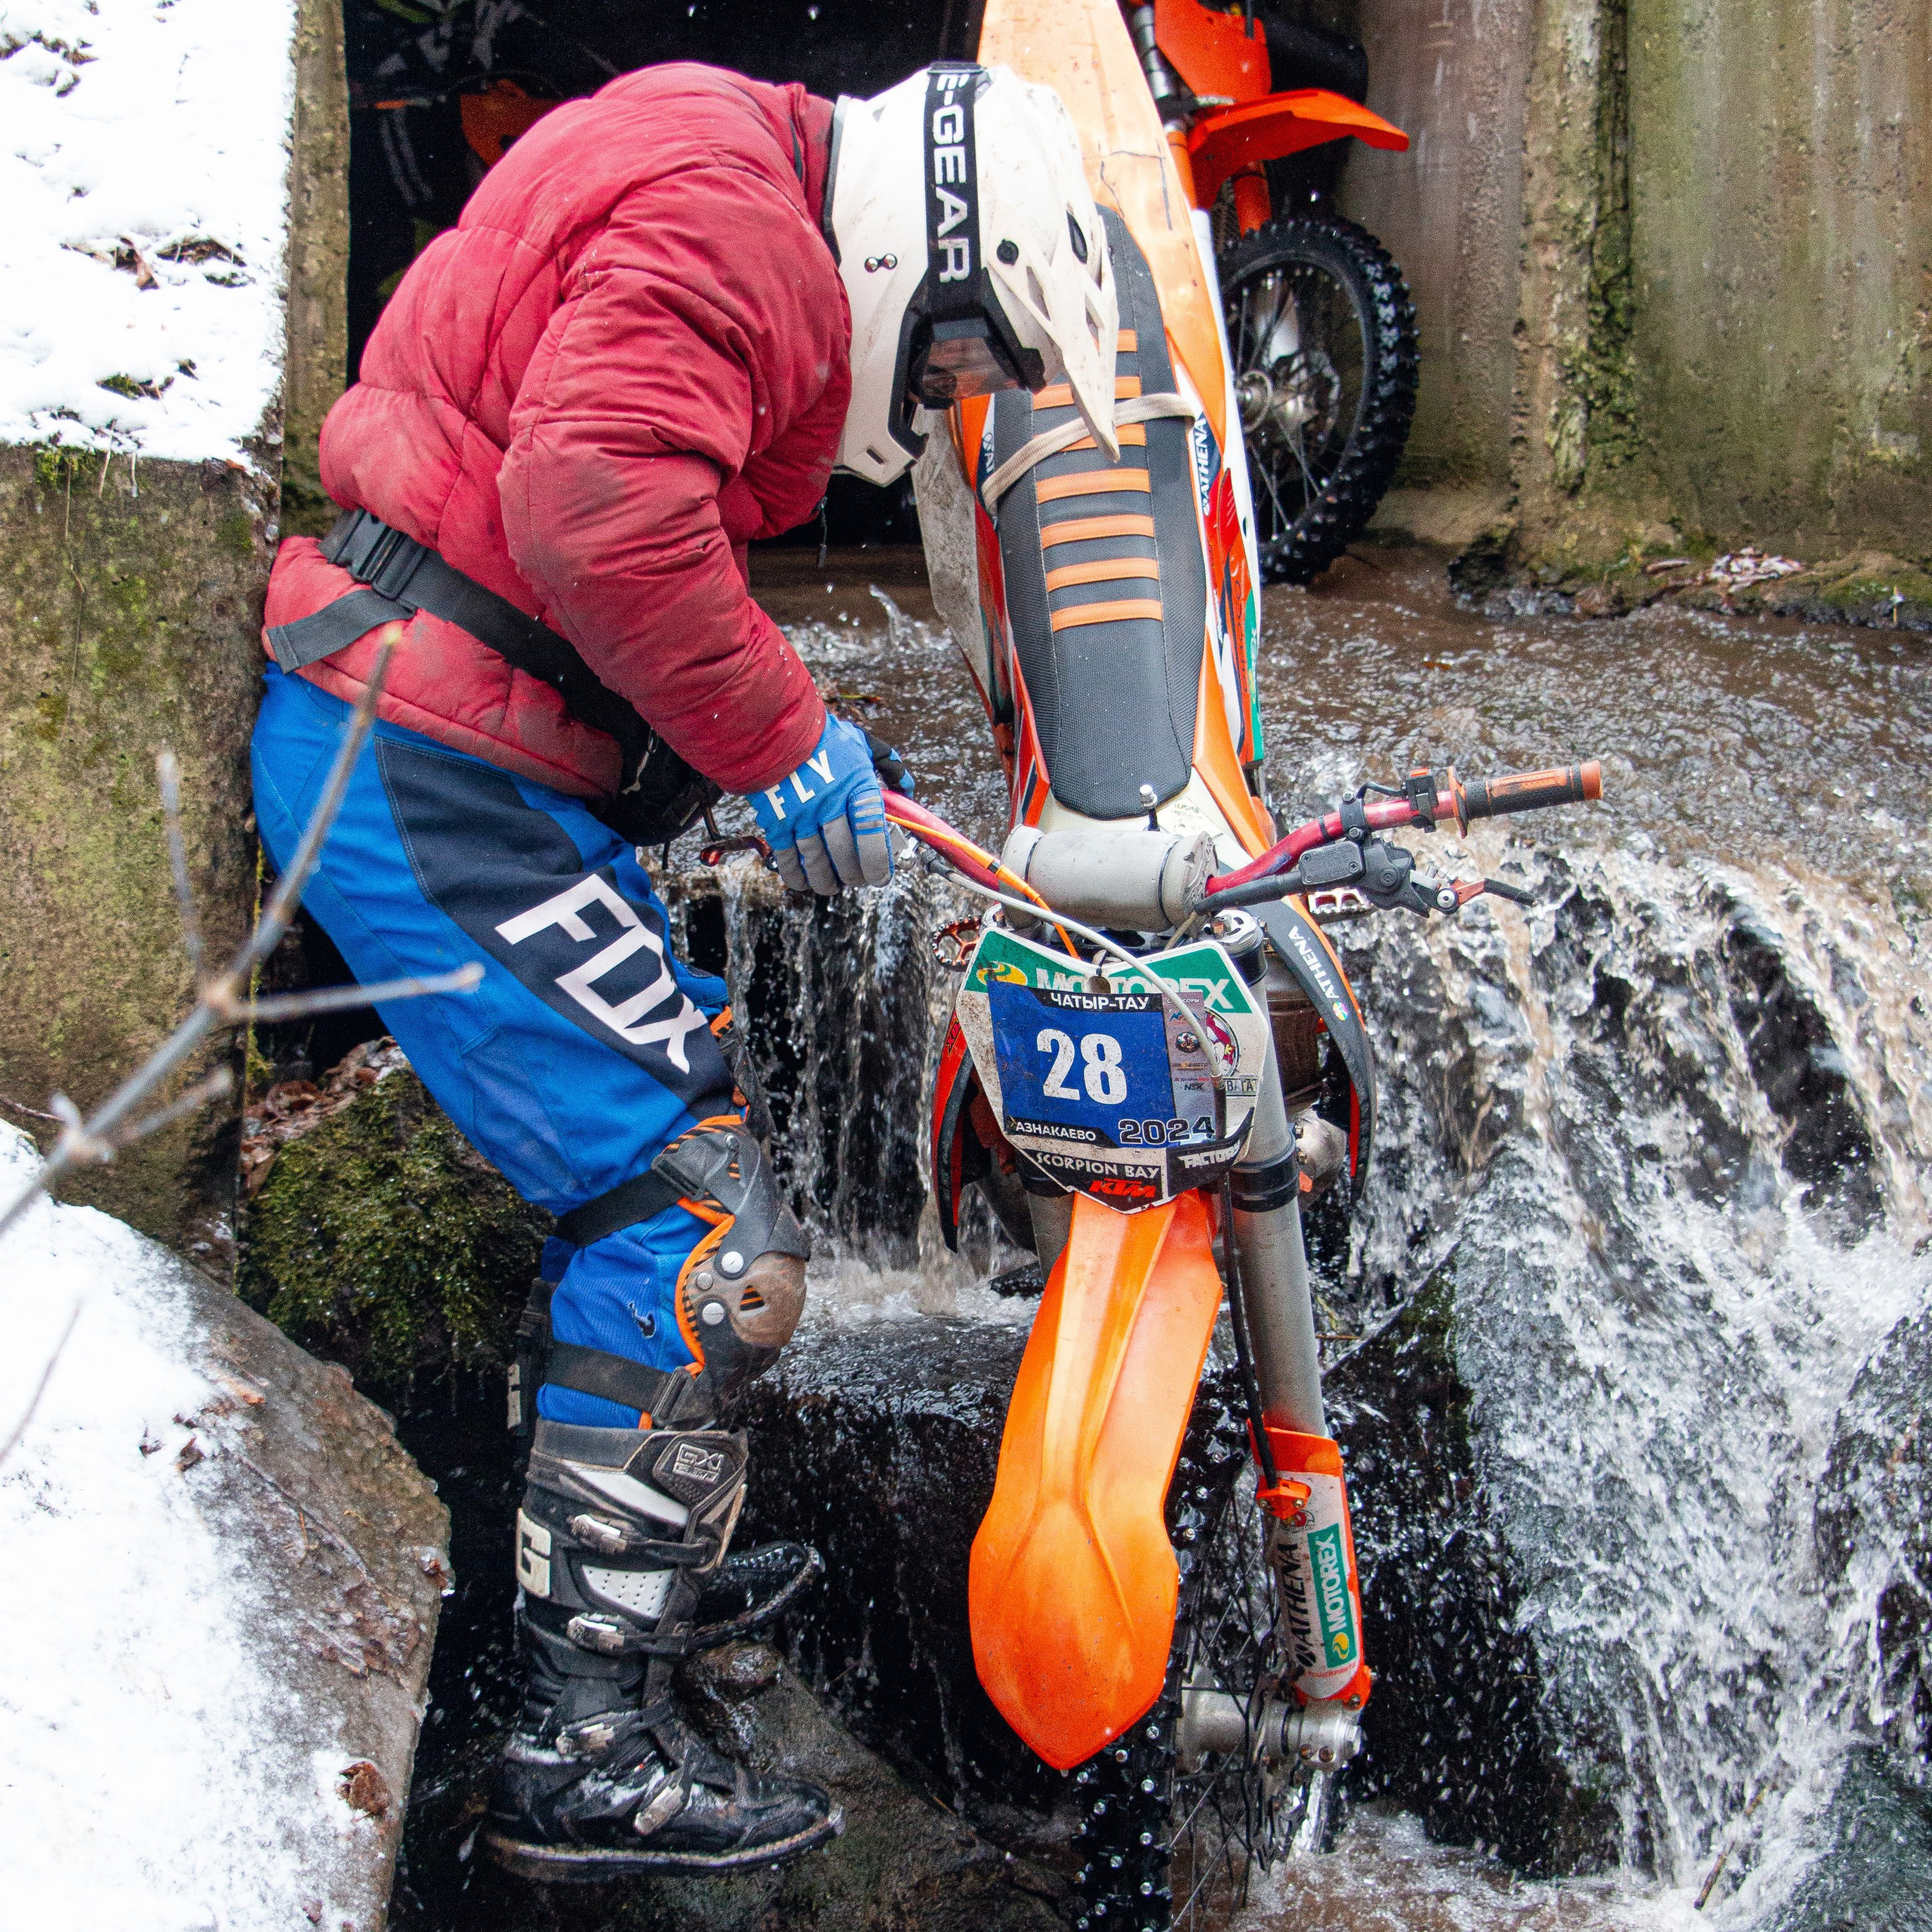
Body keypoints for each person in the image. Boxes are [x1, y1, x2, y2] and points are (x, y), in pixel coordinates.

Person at [251, 58, 1118, 1879]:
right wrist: (779, 735)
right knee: (694, 1212)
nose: (944, 409)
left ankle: (633, 1560)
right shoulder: (747, 220)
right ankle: (586, 1738)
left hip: (434, 729)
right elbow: (589, 504)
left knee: (691, 1156)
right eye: (959, 364)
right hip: (417, 755)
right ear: (931, 254)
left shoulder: (712, 153)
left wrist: (772, 743)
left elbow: (572, 486)